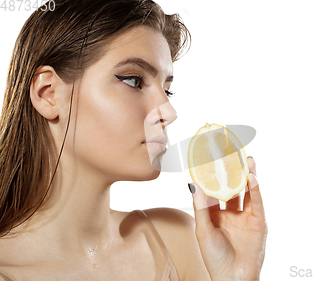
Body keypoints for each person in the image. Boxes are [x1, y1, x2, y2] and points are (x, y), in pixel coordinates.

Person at [0, 0, 267, 280]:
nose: (169, 113)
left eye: (168, 90)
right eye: (133, 80)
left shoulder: (179, 242)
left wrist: (237, 276)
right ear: (48, 93)